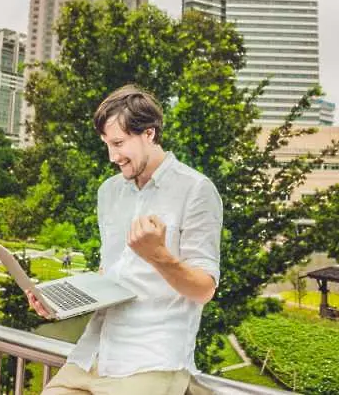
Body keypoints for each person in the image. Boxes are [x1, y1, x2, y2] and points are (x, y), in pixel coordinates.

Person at [27, 84, 223, 395]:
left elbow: (204, 289)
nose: (112, 156)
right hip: (90, 354)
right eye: (107, 144)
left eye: (119, 143)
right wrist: (61, 299)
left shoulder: (196, 190)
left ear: (149, 133)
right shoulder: (109, 192)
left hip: (150, 361)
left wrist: (157, 254)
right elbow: (112, 274)